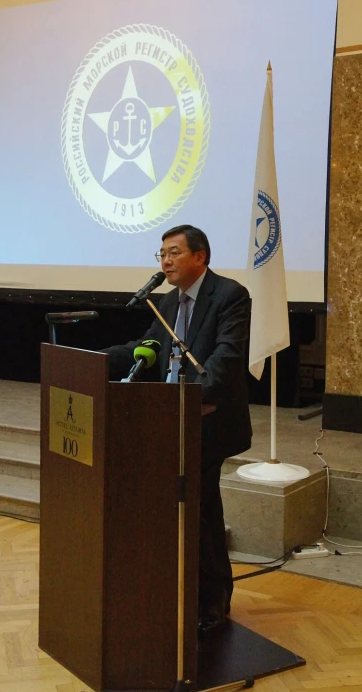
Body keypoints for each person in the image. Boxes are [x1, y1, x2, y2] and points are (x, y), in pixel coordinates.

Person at [104, 224, 252, 634]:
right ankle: (179, 593)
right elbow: (148, 349)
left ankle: (214, 603)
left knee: (202, 512)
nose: (165, 261)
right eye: (161, 255)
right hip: (166, 421)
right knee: (179, 512)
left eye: (173, 253)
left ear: (199, 257)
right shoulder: (166, 303)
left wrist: (190, 395)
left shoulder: (230, 296)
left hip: (208, 421)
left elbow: (227, 357)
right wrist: (94, 359)